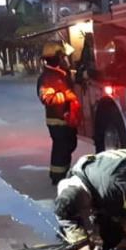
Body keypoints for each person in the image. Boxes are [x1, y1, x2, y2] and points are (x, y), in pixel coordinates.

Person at [37, 42, 80, 185]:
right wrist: (67, 96)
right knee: (61, 148)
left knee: (69, 145)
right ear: (55, 58)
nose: (65, 59)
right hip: (56, 120)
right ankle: (57, 177)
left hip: (66, 118)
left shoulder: (60, 73)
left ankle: (63, 173)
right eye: (62, 56)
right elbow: (47, 98)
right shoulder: (48, 76)